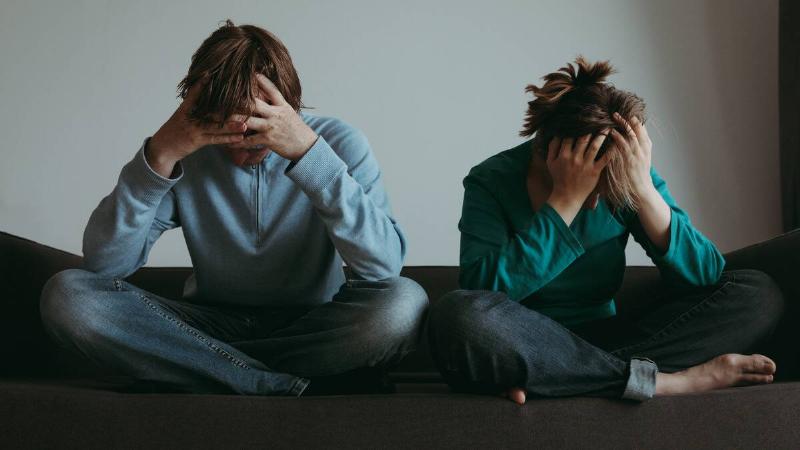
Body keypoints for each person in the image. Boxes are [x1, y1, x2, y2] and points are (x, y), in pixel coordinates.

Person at [39, 20, 428, 396]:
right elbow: (105, 266)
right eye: (228, 138)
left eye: (257, 139)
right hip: (207, 326)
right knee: (67, 294)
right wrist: (159, 157)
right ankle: (271, 382)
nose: (241, 155)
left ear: (288, 108)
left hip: (312, 324)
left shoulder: (339, 143)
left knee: (404, 304)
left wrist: (310, 157)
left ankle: (207, 371)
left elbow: (382, 269)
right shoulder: (185, 151)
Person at [427, 57, 785, 404]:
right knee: (457, 317)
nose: (600, 197)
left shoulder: (624, 170)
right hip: (524, 342)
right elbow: (480, 291)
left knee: (758, 293)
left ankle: (568, 380)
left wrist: (643, 191)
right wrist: (564, 203)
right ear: (548, 152)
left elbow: (705, 276)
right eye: (594, 180)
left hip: (608, 342)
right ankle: (664, 383)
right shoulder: (492, 179)